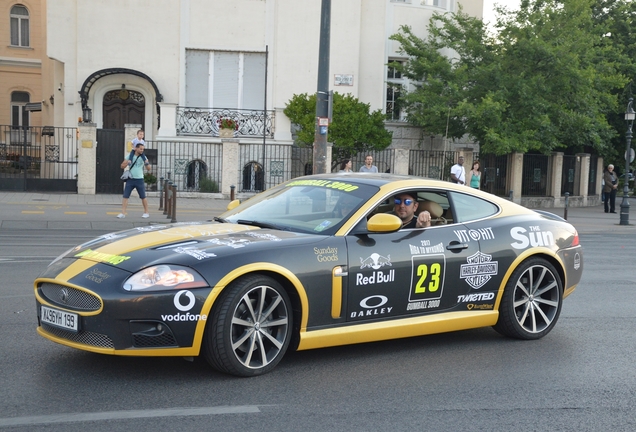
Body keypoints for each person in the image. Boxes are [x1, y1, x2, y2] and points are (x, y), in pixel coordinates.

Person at [117, 143, 151, 219]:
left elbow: (148, 169)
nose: (142, 150)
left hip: (139, 179)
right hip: (130, 179)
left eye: (143, 149)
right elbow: (122, 166)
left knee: (143, 196)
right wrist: (126, 163)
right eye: (140, 149)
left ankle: (146, 212)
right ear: (136, 148)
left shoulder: (143, 157)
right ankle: (123, 213)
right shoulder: (130, 156)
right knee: (125, 196)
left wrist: (147, 163)